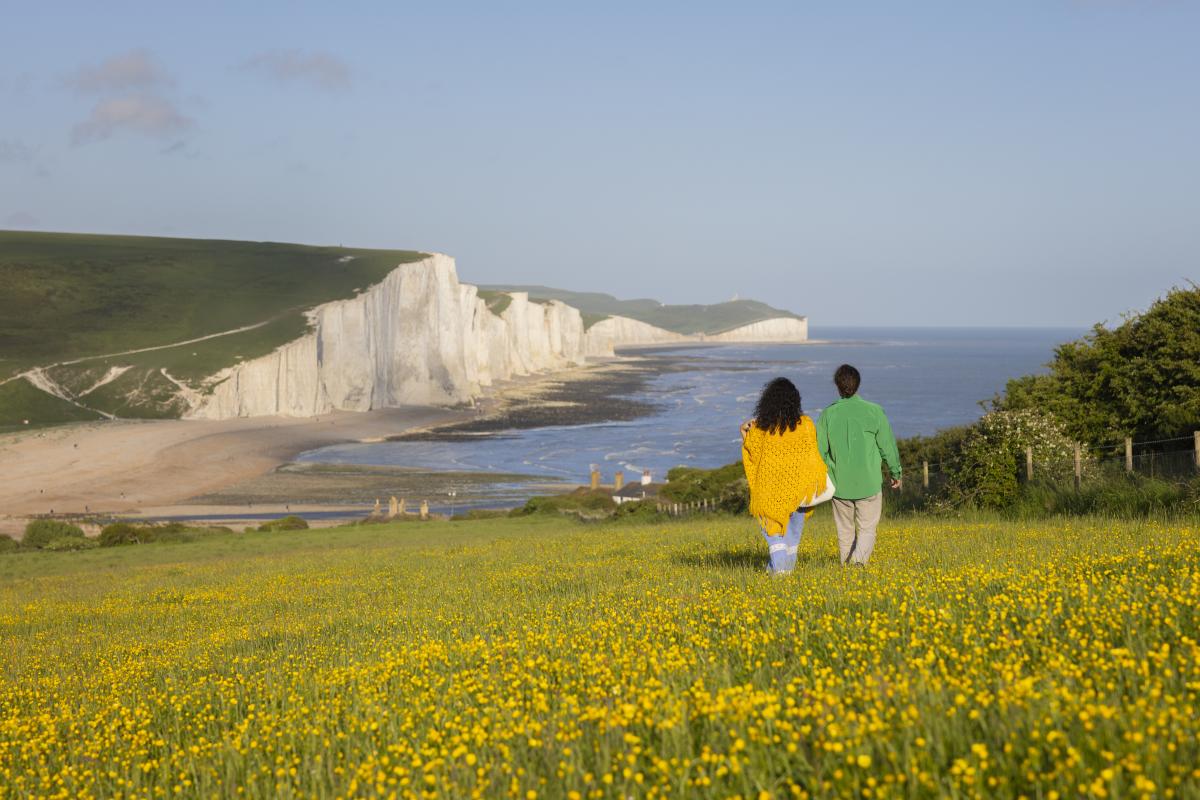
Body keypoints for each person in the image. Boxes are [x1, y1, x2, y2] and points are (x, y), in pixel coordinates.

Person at [741, 377, 830, 575]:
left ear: (767, 402)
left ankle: (779, 576)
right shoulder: (806, 424)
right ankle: (780, 577)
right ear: (795, 401)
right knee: (792, 538)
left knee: (775, 537)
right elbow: (813, 457)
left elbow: (752, 454)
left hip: (771, 494)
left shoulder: (761, 429)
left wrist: (743, 431)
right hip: (800, 492)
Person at [816, 364, 902, 566]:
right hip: (869, 483)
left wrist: (826, 473)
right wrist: (896, 471)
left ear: (837, 386)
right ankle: (857, 566)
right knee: (867, 529)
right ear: (858, 384)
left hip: (839, 485)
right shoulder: (874, 411)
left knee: (844, 532)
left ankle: (849, 571)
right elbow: (887, 447)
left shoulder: (828, 414)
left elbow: (819, 451)